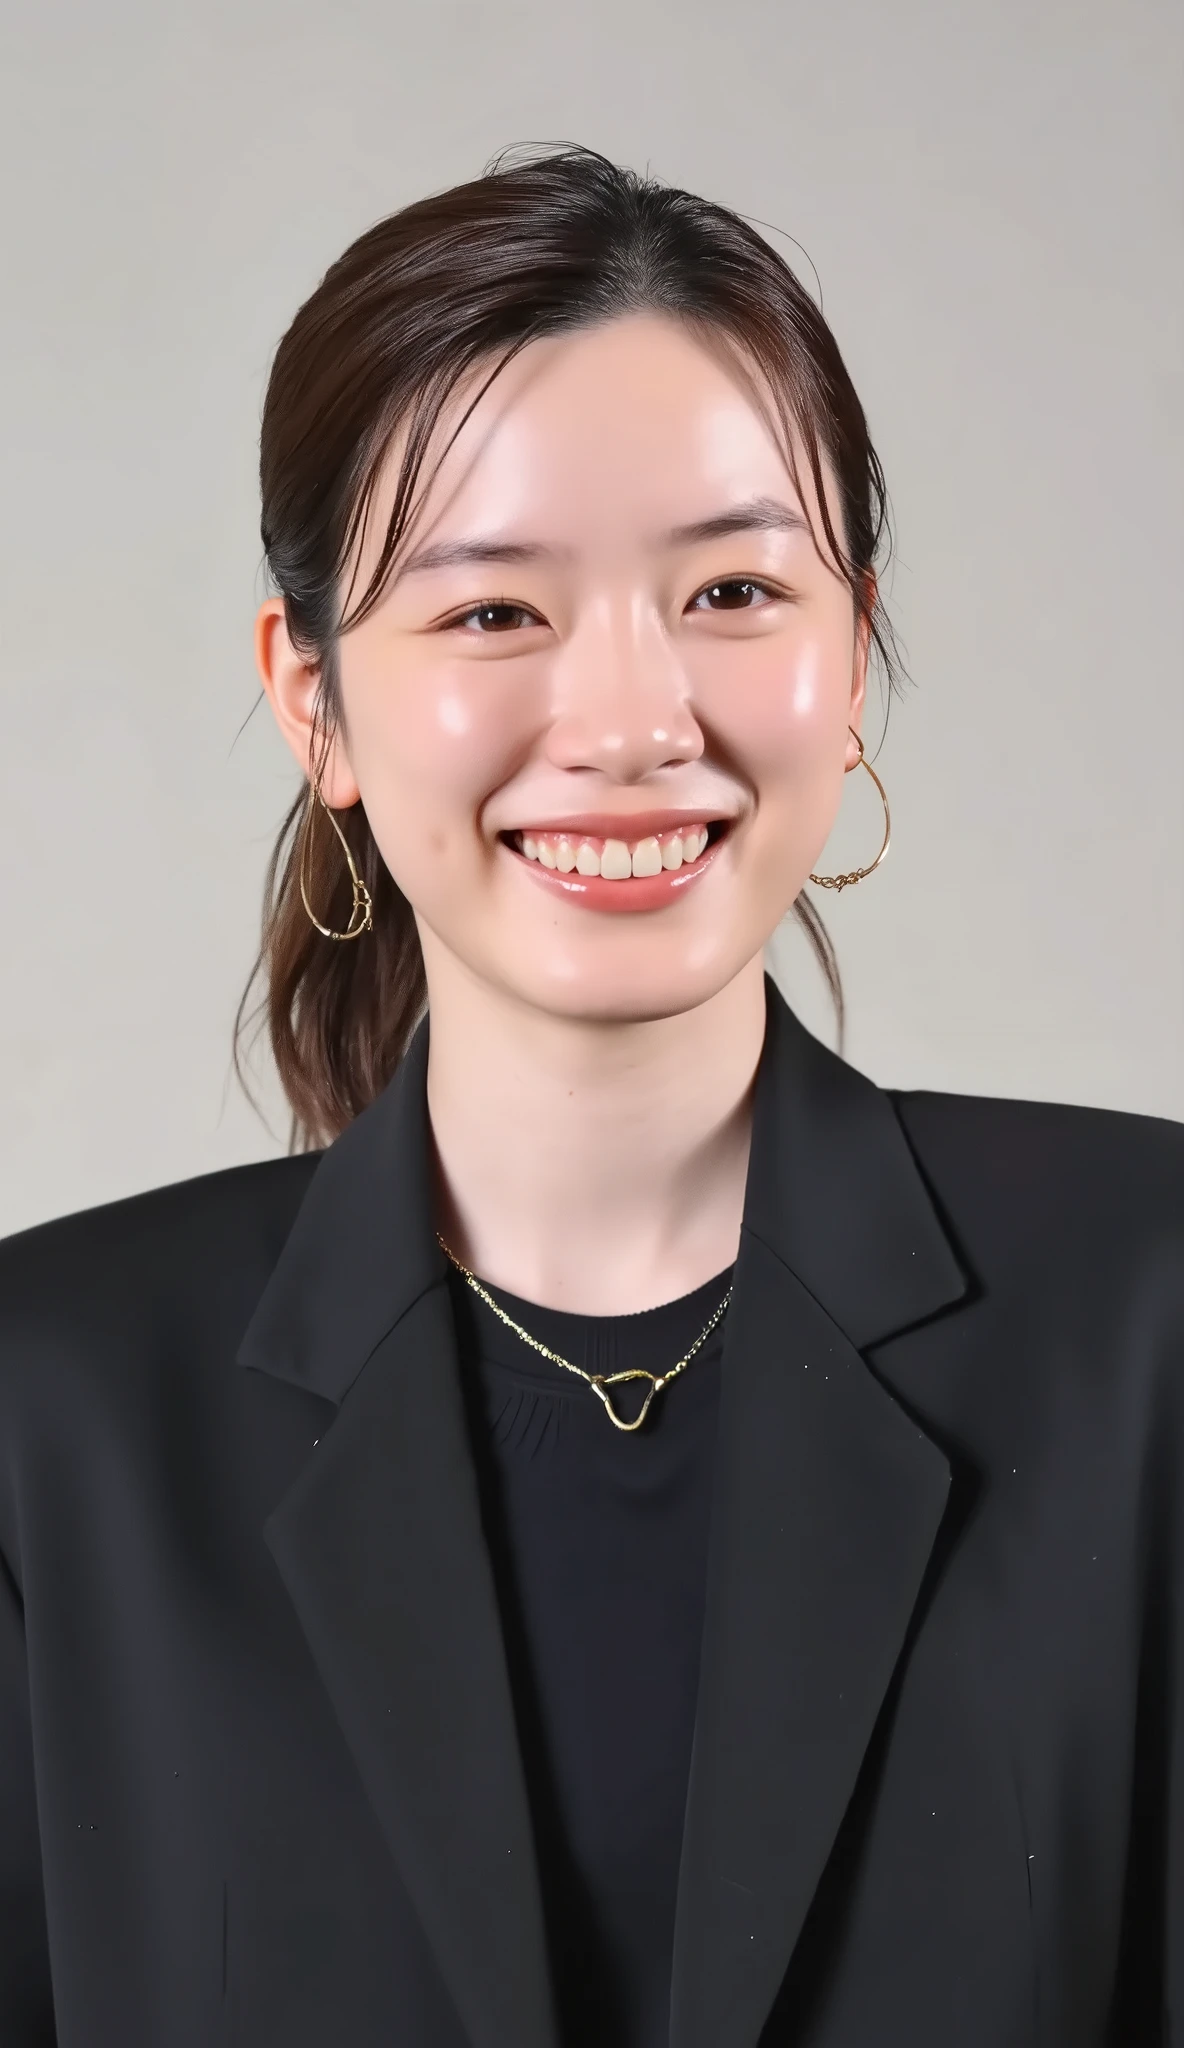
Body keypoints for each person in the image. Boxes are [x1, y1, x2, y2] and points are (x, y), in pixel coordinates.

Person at [0, 142, 1179, 2048]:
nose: (634, 723)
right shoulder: (47, 1416)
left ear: (851, 647)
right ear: (314, 702)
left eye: (730, 589)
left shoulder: (1147, 1318)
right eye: (492, 614)